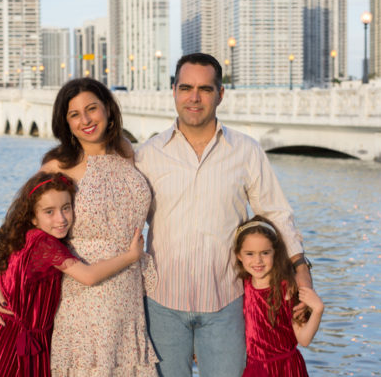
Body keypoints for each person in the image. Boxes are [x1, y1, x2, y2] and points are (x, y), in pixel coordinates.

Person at [135, 53, 313, 376]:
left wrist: (301, 268)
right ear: (173, 90)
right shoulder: (148, 154)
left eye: (205, 89)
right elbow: (122, 223)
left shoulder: (246, 150)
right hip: (162, 303)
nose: (194, 97)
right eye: (186, 87)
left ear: (220, 94)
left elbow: (276, 213)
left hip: (226, 301)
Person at [0, 78, 158, 376]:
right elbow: (20, 224)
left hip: (130, 289)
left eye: (91, 109)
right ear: (65, 123)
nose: (86, 120)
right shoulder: (59, 164)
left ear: (108, 109)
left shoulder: (125, 150)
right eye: (74, 114)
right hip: (83, 294)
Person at [0, 171, 146, 376]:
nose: (61, 219)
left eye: (66, 208)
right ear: (33, 217)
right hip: (23, 341)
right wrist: (130, 256)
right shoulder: (45, 244)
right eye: (49, 212)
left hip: (1, 333)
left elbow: (0, 270)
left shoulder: (23, 236)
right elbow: (88, 276)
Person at [234, 216, 324, 377]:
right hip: (255, 369)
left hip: (287, 369)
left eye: (265, 253)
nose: (258, 260)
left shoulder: (287, 289)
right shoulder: (240, 286)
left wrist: (318, 310)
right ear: (239, 256)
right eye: (250, 253)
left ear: (276, 253)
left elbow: (304, 340)